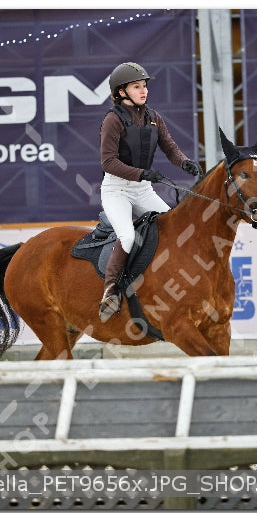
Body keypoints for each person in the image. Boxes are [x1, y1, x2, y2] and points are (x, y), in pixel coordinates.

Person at [98, 62, 202, 322]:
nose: (143, 91)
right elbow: (108, 162)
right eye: (137, 87)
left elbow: (170, 148)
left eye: (144, 86)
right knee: (127, 236)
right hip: (117, 189)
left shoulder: (154, 117)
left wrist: (184, 162)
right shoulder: (113, 120)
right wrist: (142, 173)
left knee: (174, 229)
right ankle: (110, 291)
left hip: (142, 189)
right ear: (121, 92)